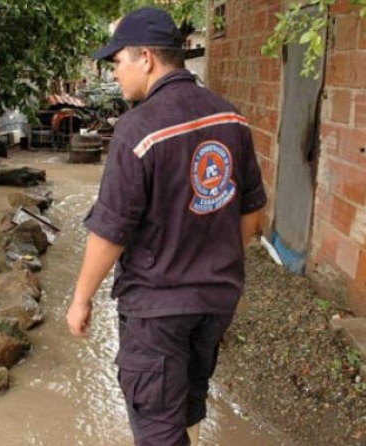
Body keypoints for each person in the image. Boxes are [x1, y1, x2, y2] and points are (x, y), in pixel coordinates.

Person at [66, 7, 266, 446]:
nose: (115, 72)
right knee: (190, 401)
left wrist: (80, 299)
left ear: (147, 59)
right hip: (215, 300)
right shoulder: (230, 117)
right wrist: (217, 260)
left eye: (118, 61)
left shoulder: (137, 129)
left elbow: (112, 229)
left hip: (158, 310)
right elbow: (252, 211)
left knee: (157, 424)